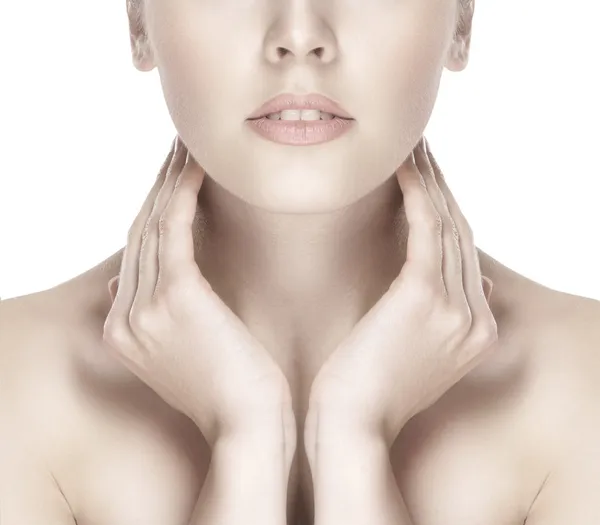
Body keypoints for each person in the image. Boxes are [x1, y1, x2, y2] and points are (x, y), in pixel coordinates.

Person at [1, 0, 599, 524]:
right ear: (137, 20)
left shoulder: (583, 389)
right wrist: (246, 440)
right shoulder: (17, 388)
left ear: (463, 20)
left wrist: (354, 440)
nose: (299, 33)